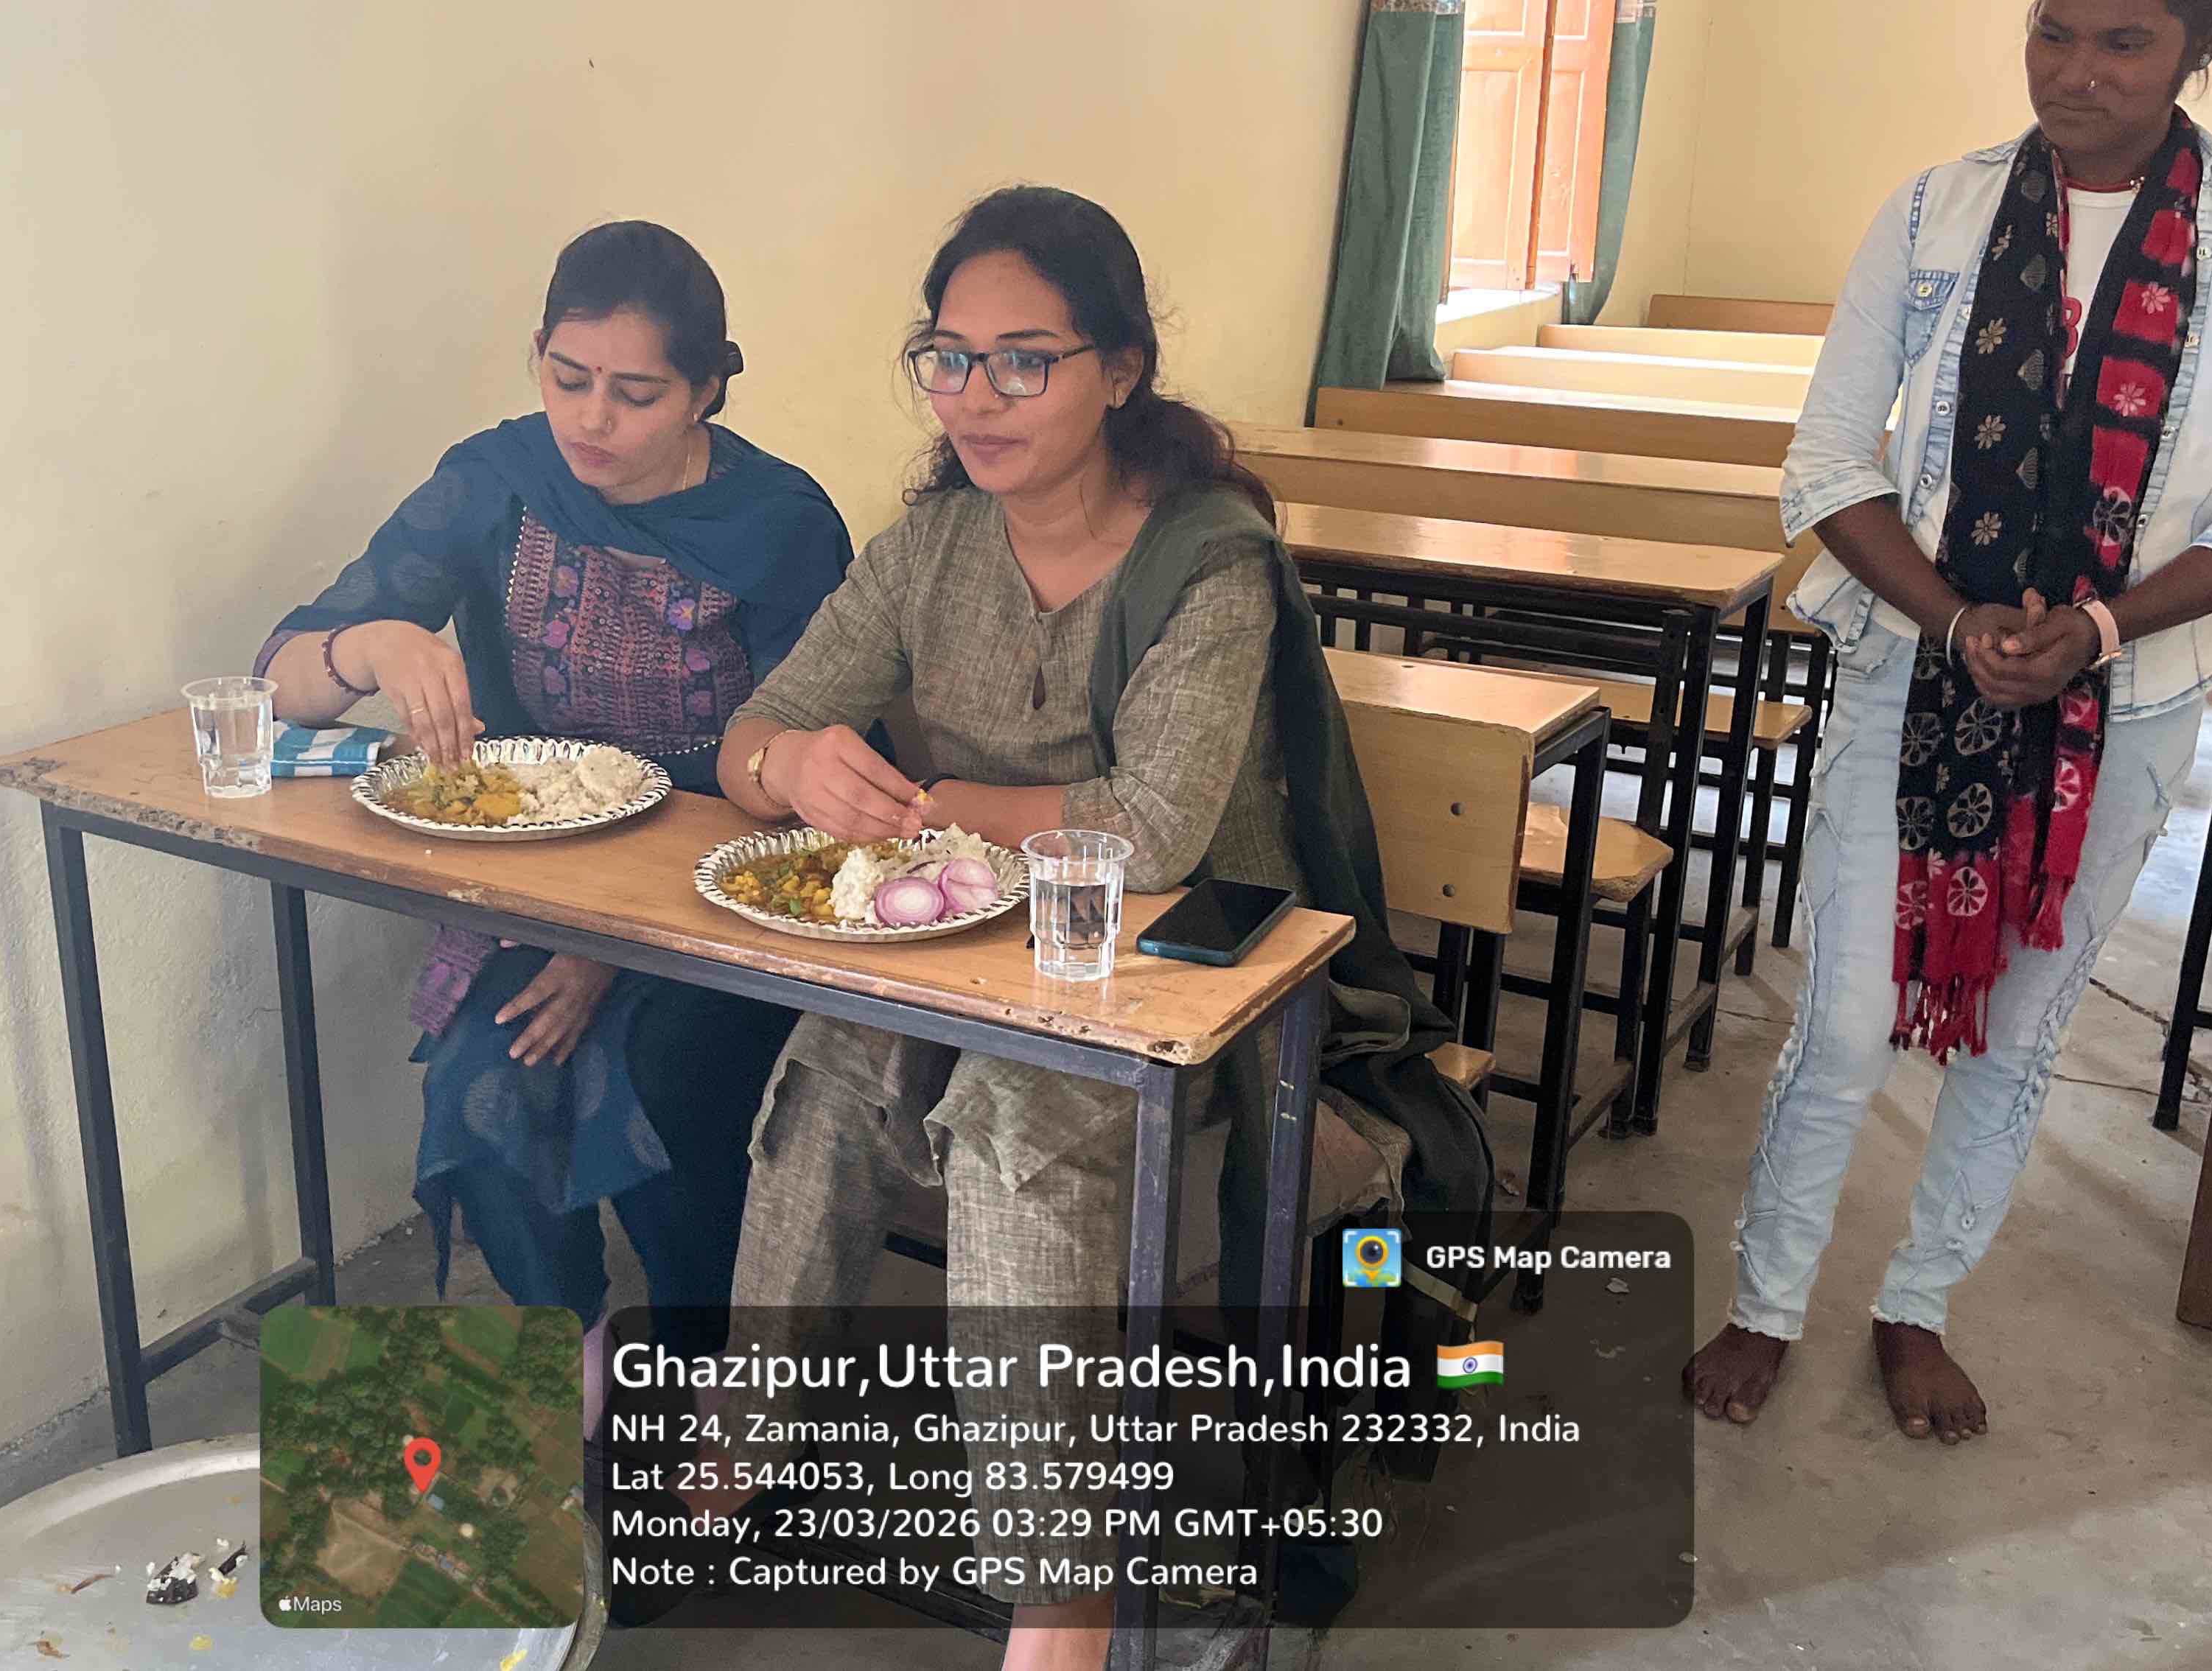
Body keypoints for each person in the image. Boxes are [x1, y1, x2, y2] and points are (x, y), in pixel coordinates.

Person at [682, 186, 1490, 1670]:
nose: (974, 396)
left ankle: (1064, 1589)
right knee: (825, 1070)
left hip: (1207, 985)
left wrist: (925, 803)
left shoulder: (1208, 562)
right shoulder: (927, 550)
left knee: (1016, 1125)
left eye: (1024, 360)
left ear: (1120, 370)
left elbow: (1150, 831)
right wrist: (786, 765)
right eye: (947, 356)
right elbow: (758, 725)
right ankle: (754, 1425)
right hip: (985, 961)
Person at [1684, 0, 2212, 1444]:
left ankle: (1918, 1302)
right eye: (2054, 31)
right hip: (1912, 670)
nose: (2076, 72)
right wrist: (1955, 621)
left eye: (2123, 41)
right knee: (1843, 1021)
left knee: (2020, 1032)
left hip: (2132, 695)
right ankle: (1768, 1299)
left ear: (2195, 50)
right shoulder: (1938, 209)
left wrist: (2095, 631)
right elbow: (1826, 459)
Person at [256, 221, 853, 1398]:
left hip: (728, 905)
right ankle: (571, 1348)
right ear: (537, 354)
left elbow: (816, 788)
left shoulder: (779, 524)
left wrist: (610, 949)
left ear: (707, 390)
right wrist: (372, 644)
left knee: (663, 1080)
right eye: (568, 378)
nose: (592, 419)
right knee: (484, 1066)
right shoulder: (497, 482)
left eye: (637, 394)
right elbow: (274, 681)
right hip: (538, 893)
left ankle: (714, 1364)